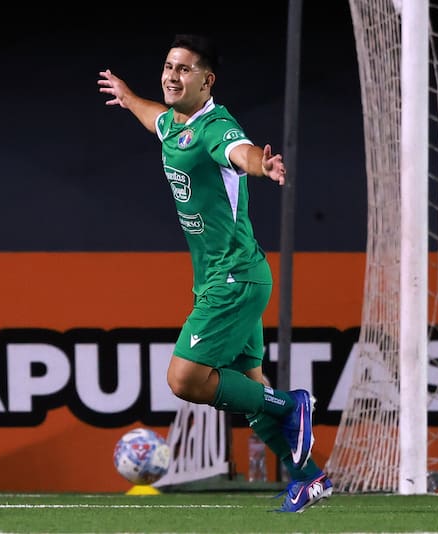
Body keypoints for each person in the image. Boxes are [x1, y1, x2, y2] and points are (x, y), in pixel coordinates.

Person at [98, 34, 332, 512]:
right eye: (167, 66)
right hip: (220, 278)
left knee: (185, 380)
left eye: (184, 69)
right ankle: (309, 477)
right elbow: (155, 119)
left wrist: (261, 166)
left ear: (208, 81)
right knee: (249, 391)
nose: (171, 75)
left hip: (235, 277)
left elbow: (239, 152)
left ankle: (293, 406)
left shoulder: (215, 125)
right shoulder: (174, 125)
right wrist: (127, 99)